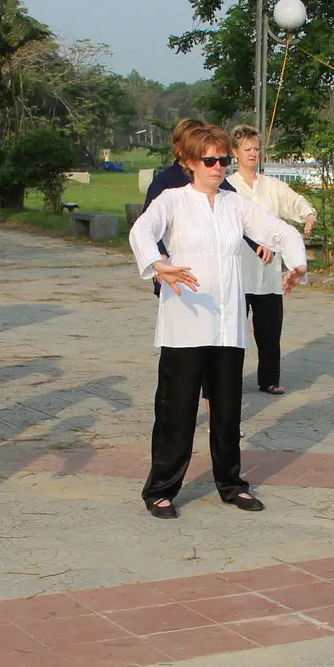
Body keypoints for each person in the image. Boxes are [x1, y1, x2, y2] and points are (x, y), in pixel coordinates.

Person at [130, 122, 307, 519]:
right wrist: (159, 265)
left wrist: (297, 263)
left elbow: (279, 231)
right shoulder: (172, 201)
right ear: (190, 162)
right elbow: (142, 230)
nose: (218, 167)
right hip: (186, 322)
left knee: (227, 410)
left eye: (223, 160)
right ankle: (161, 488)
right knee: (176, 409)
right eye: (210, 160)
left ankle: (231, 483)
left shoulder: (235, 204)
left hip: (228, 323)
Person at [227, 124, 317, 395]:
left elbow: (295, 202)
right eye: (247, 149)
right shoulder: (227, 187)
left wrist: (308, 214)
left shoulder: (272, 186)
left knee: (269, 331)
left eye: (256, 148)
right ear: (235, 152)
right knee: (233, 333)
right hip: (238, 272)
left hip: (268, 275)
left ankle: (269, 379)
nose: (252, 153)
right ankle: (228, 381)